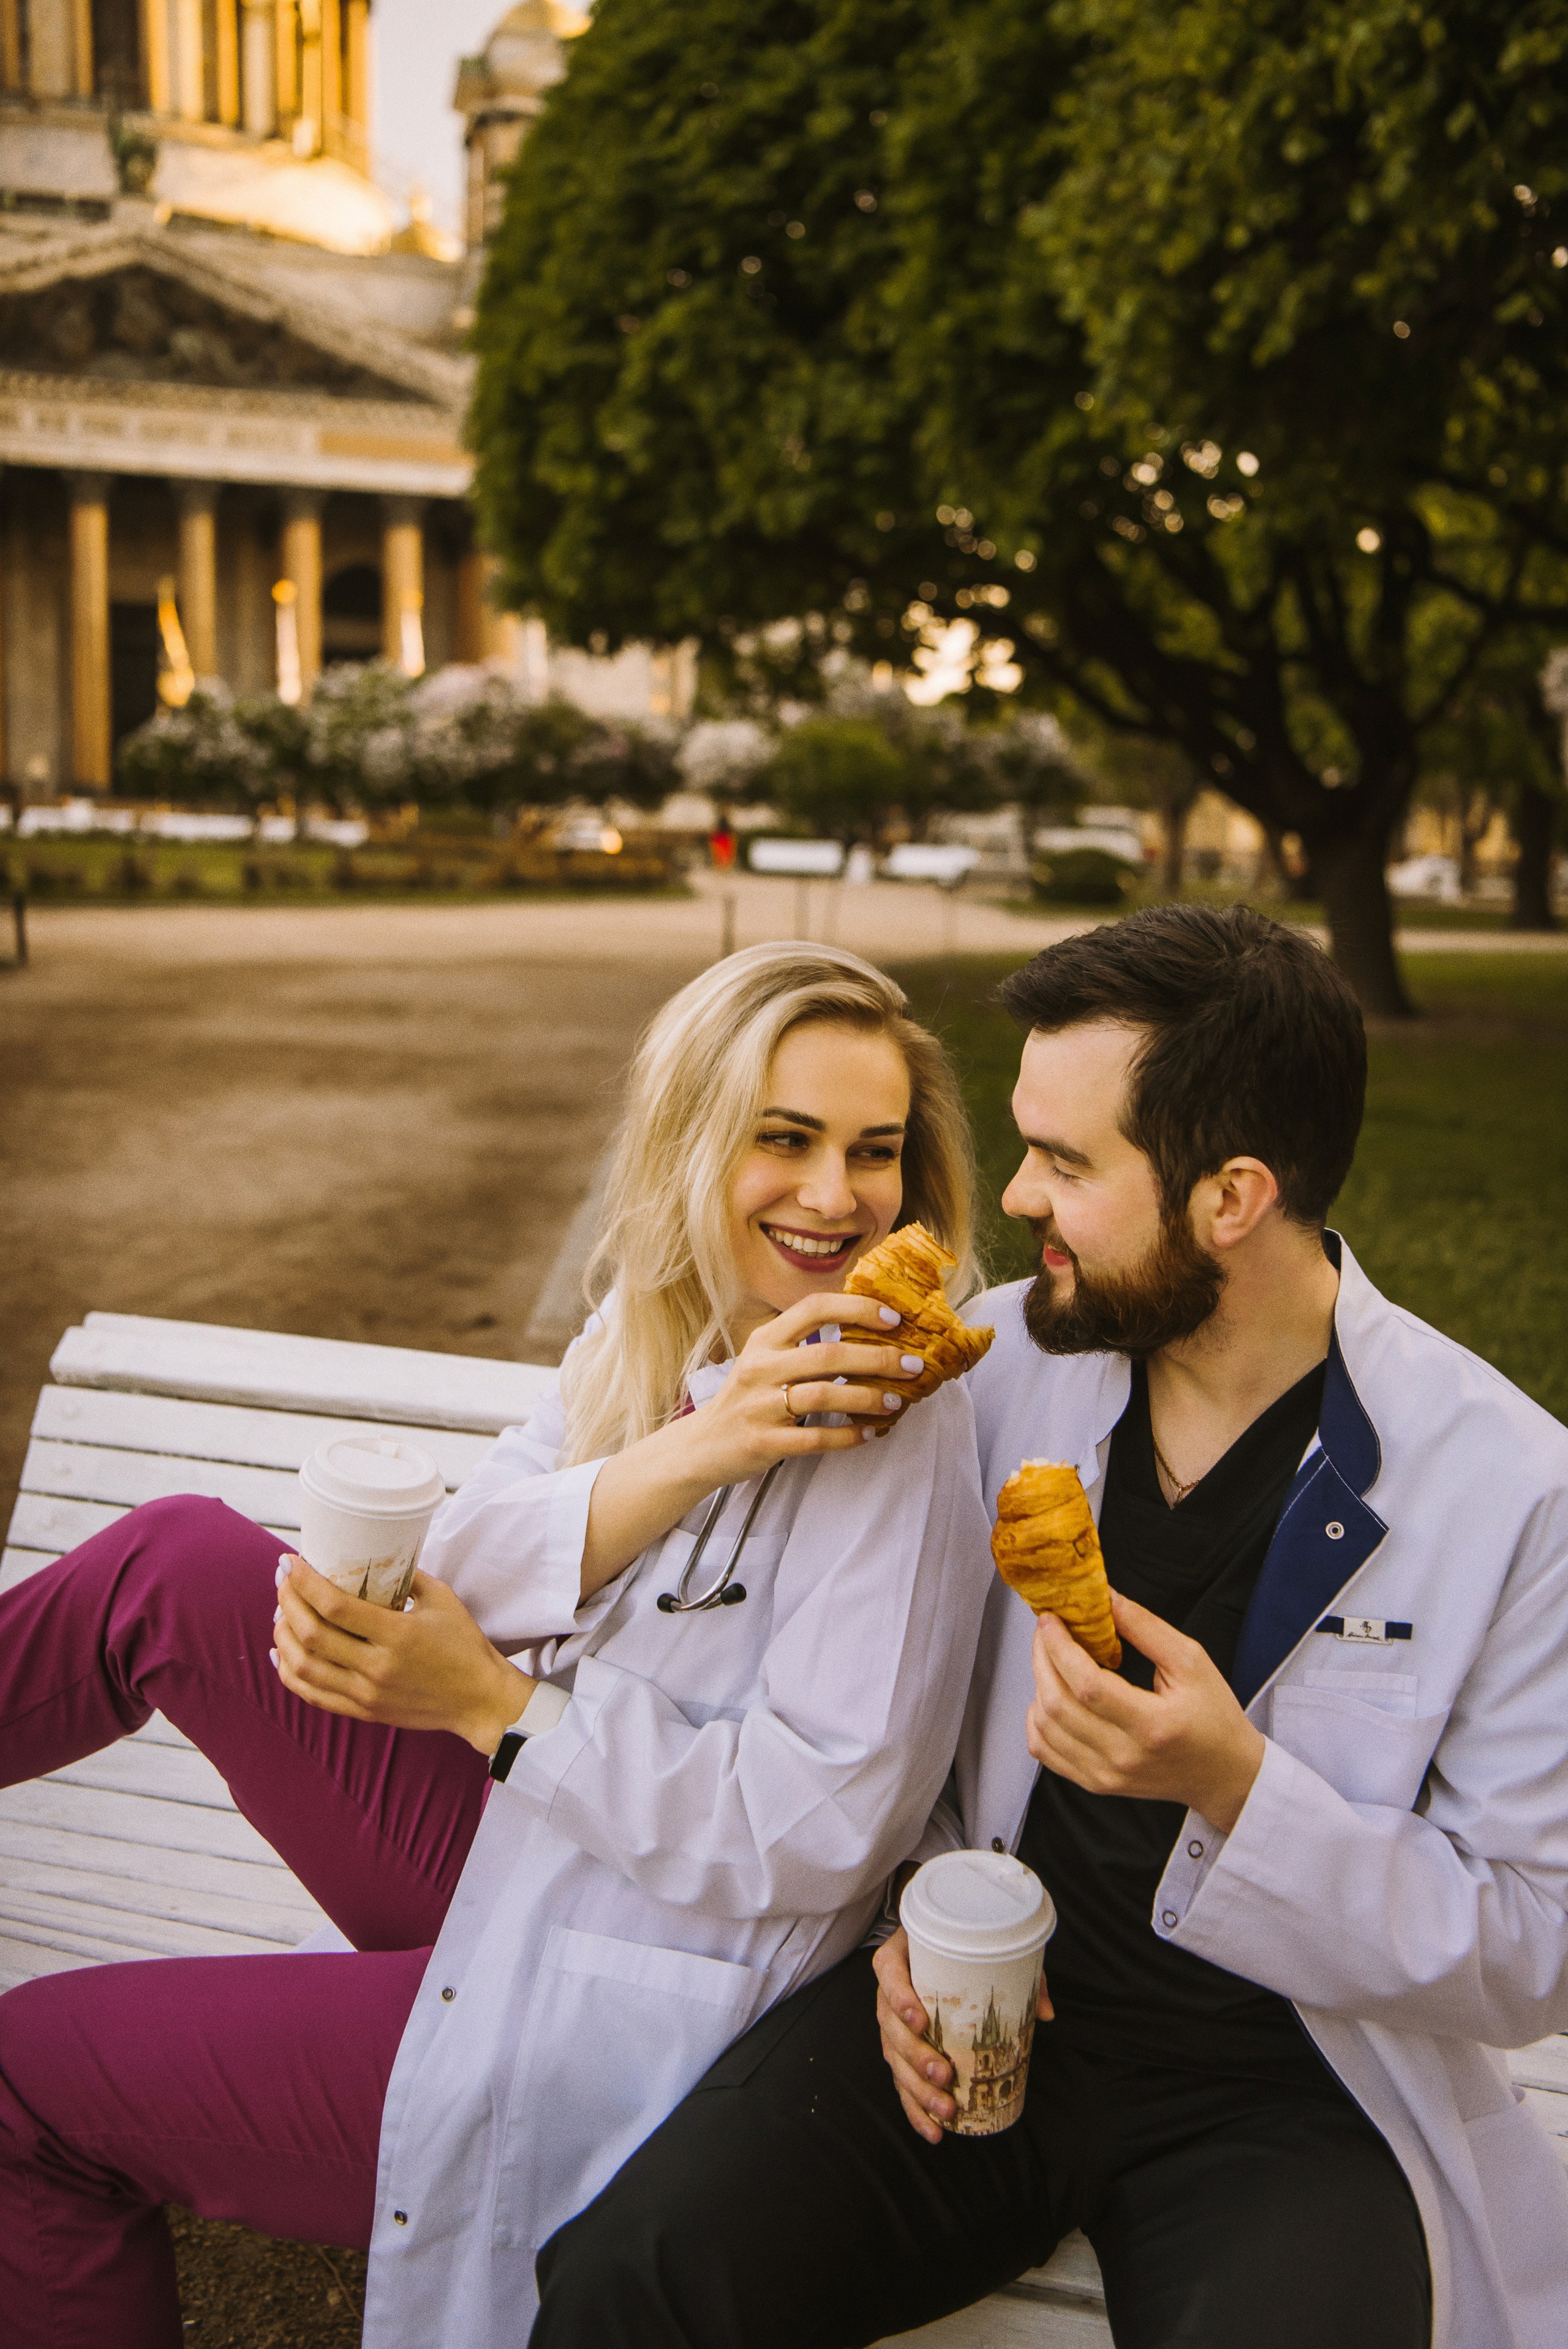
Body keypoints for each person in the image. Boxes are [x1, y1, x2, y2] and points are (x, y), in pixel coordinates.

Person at [530, 905, 1568, 2349]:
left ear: (1230, 1196)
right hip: (979, 2015)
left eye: (1066, 1163)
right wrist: (910, 1920)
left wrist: (1234, 1786)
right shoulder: (996, 1367)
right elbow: (867, 1713)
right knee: (631, 2282)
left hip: (1285, 2096)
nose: (1011, 1195)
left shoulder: (1510, 1490)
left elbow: (1532, 1950)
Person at [0, 940, 998, 2349]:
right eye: (785, 1139)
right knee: (179, 1559)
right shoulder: (661, 1318)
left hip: (640, 1967)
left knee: (25, 2080)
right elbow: (443, 1570)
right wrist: (695, 1451)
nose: (836, 1196)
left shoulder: (900, 1422)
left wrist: (508, 1714)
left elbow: (823, 1823)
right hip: (515, 1841)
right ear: (688, 1141)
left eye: (873, 1150)